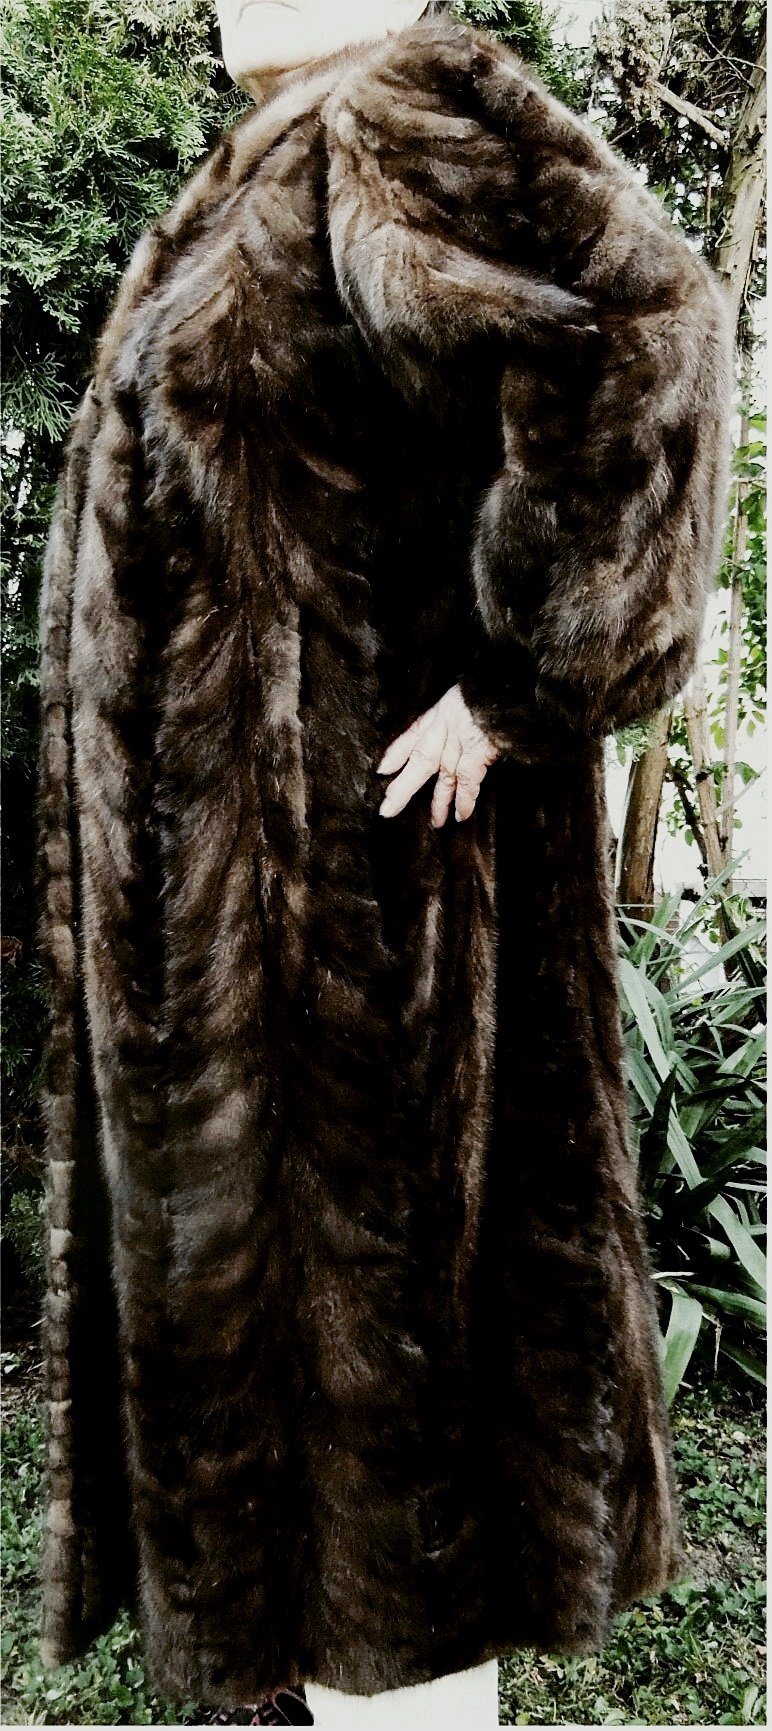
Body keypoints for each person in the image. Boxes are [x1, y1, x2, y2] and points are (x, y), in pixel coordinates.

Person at [35, 0, 732, 1723]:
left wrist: (521, 687)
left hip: (361, 951)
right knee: (312, 1499)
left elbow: (649, 330)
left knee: (394, 1509)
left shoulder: (404, 108)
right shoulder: (275, 150)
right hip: (248, 970)